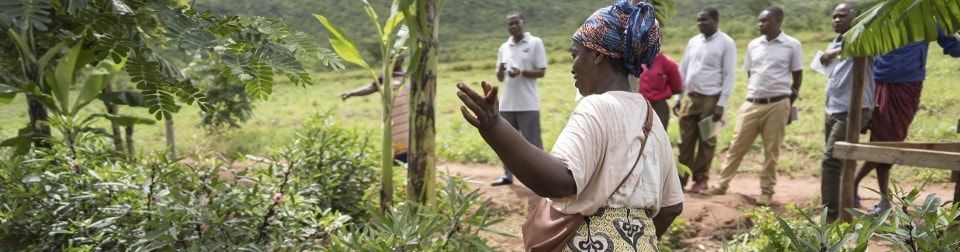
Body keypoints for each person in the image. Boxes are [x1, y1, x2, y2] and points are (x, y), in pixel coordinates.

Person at [457, 1, 682, 249]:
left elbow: (561, 183)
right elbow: (672, 207)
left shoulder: (596, 107)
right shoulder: (649, 115)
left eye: (575, 55)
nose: (572, 68)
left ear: (597, 55)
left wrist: (494, 127)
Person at [852, 24, 960, 214]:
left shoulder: (927, 18)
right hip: (880, 80)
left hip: (909, 83)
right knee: (883, 140)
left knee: (890, 140)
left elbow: (952, 47)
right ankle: (869, 191)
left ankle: (868, 191)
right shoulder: (886, 15)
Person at [702, 6, 803, 207]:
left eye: (765, 21)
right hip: (752, 102)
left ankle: (766, 191)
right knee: (736, 145)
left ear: (778, 22)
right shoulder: (753, 45)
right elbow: (750, 73)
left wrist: (787, 105)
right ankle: (722, 184)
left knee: (771, 151)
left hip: (778, 102)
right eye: (759, 21)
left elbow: (797, 77)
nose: (760, 24)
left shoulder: (792, 45)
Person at [816, 3, 875, 221]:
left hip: (853, 109)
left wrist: (834, 52)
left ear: (856, 18)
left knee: (831, 160)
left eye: (842, 16)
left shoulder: (865, 36)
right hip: (833, 108)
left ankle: (830, 215)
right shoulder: (836, 41)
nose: (837, 20)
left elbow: (865, 47)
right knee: (837, 162)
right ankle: (842, 207)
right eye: (834, 16)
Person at [674, 7, 737, 193]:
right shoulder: (693, 41)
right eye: (698, 20)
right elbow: (683, 71)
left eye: (704, 20)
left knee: (706, 141)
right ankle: (681, 180)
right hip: (691, 98)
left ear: (716, 20)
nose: (700, 24)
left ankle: (701, 179)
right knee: (684, 141)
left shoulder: (726, 43)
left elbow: (730, 75)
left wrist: (721, 104)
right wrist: (679, 97)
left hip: (712, 99)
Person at [491, 10, 549, 186]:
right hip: (507, 103)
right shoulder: (504, 47)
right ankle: (507, 176)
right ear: (507, 26)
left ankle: (542, 178)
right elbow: (500, 78)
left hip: (528, 103)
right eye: (510, 23)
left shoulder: (534, 43)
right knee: (505, 143)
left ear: (523, 22)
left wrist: (521, 72)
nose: (514, 26)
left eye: (517, 22)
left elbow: (542, 71)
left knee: (533, 143)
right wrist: (501, 70)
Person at [340, 56, 410, 163]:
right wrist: (351, 93)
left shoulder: (410, 75)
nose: (392, 61)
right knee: (395, 141)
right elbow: (371, 87)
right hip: (392, 117)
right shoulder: (384, 77)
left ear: (402, 60)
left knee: (409, 139)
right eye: (389, 59)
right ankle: (397, 164)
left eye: (395, 59)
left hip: (408, 115)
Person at [638, 52, 682, 128]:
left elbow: (677, 88)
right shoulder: (633, 60)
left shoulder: (668, 63)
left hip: (658, 107)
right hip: (638, 106)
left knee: (658, 136)